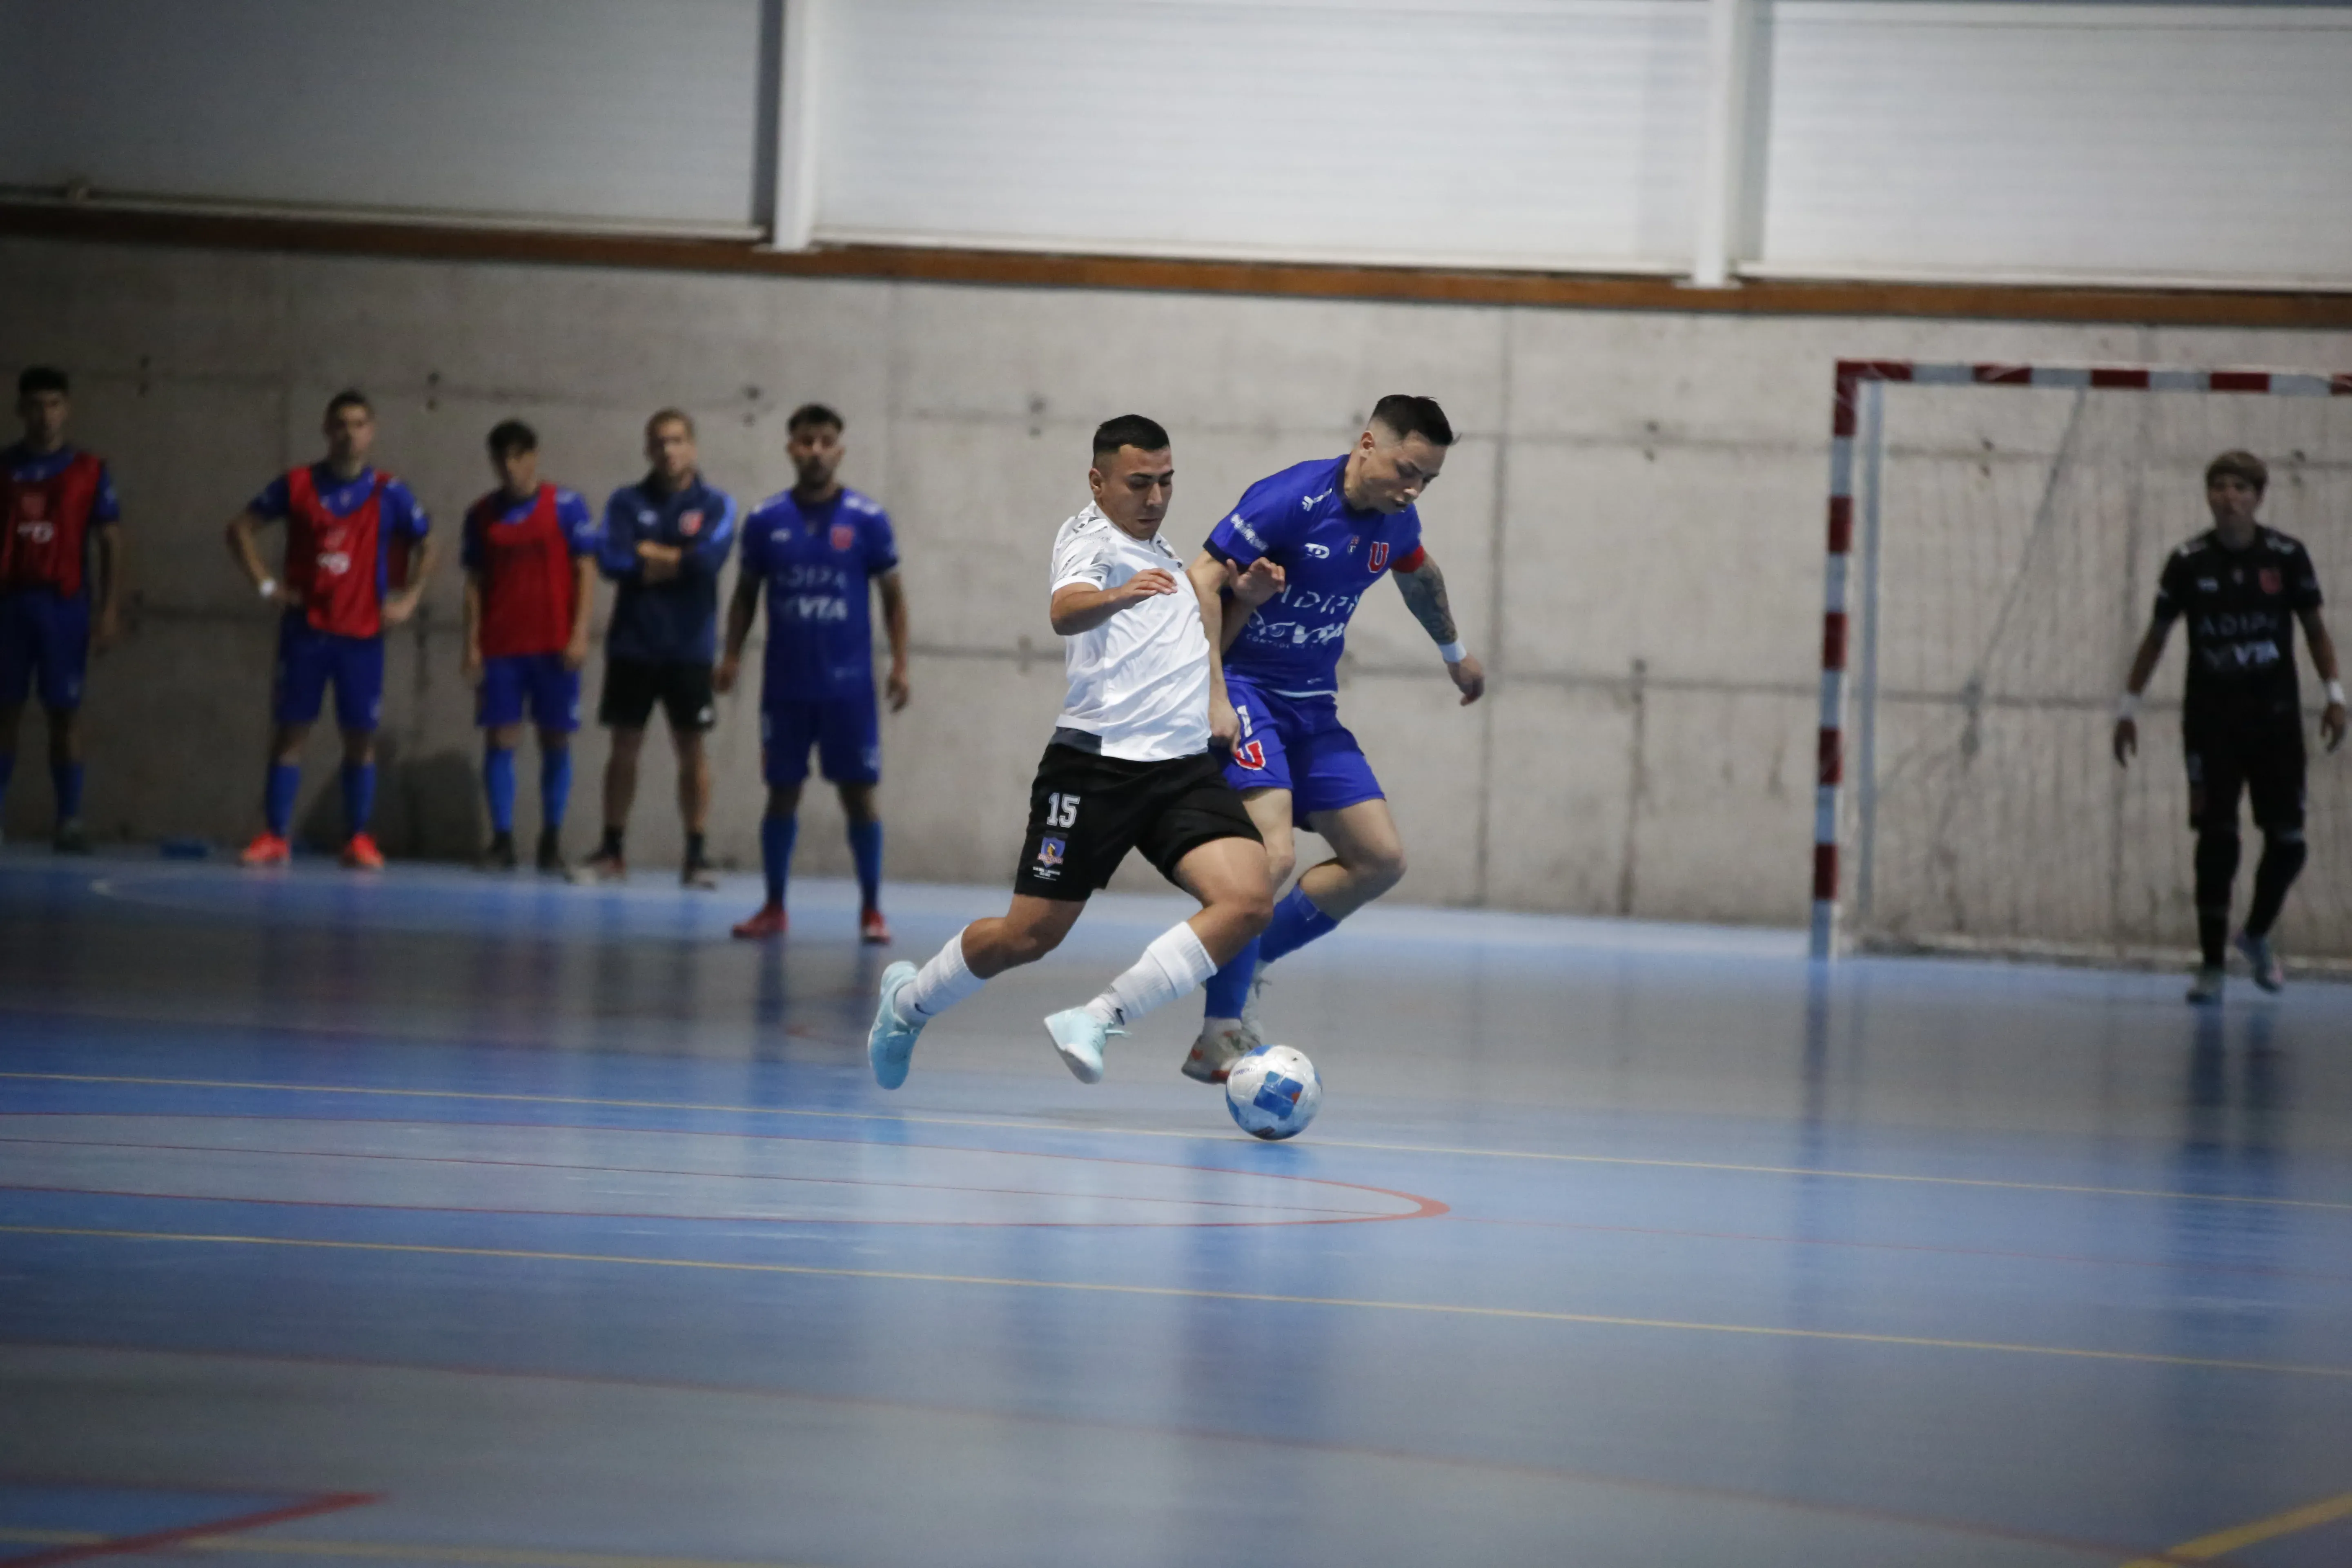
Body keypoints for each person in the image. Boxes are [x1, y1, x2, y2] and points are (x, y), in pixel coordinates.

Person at [864, 415, 1272, 1089]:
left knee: (1250, 901)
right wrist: (1117, 595)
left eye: (1167, 482)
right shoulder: (1090, 540)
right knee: (1028, 936)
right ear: (1098, 482)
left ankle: (1099, 1017)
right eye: (1139, 483)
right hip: (1097, 769)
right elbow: (1066, 609)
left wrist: (1245, 607)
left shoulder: (1163, 552)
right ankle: (908, 1005)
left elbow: (1191, 649)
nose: (1156, 497)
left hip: (1181, 769)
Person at [1177, 394, 1487, 1082]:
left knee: (1380, 859)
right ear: (1368, 444)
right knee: (1272, 858)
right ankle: (1216, 1034)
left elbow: (1420, 576)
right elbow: (1199, 578)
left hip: (1314, 706)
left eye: (1428, 480)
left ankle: (1248, 959)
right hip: (1248, 690)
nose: (1413, 489)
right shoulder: (1288, 500)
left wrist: (1455, 653)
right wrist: (1214, 691)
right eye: (1407, 470)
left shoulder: (1397, 519)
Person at [2114, 449, 2344, 1004]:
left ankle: (2256, 934)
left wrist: (2335, 696)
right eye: (2219, 486)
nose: (2229, 496)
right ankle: (2212, 965)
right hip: (2212, 724)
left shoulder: (2287, 556)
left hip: (2276, 723)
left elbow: (2314, 630)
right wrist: (2128, 707)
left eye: (2240, 487)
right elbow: (2157, 637)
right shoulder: (2188, 562)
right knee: (2217, 842)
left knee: (2289, 843)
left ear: (2258, 497)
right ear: (2208, 495)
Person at [717, 403, 909, 942]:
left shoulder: (868, 519)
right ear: (791, 448)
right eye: (806, 441)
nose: (816, 451)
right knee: (782, 792)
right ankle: (774, 906)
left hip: (849, 690)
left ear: (840, 450)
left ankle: (872, 910)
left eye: (826, 441)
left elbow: (894, 598)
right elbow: (744, 596)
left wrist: (900, 664)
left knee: (859, 795)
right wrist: (731, 656)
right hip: (786, 688)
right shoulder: (765, 520)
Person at [225, 390, 434, 870]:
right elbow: (239, 529)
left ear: (371, 431)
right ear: (326, 430)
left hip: (362, 636)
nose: (349, 434)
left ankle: (358, 838)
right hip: (306, 633)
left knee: (360, 738)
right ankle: (275, 836)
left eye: (359, 424)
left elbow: (429, 543)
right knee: (291, 733)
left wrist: (410, 598)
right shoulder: (298, 484)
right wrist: (267, 586)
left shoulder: (389, 492)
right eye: (341, 424)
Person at [579, 409, 736, 887]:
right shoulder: (626, 501)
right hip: (634, 644)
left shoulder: (716, 504)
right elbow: (611, 559)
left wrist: (651, 552)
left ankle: (696, 855)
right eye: (660, 442)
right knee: (624, 746)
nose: (669, 450)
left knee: (692, 750)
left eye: (677, 441)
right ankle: (612, 851)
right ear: (648, 449)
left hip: (689, 648)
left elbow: (708, 561)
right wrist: (677, 559)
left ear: (693, 446)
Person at [461, 420, 598, 874]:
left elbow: (585, 570)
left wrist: (580, 632)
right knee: (500, 738)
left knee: (555, 737)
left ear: (534, 457)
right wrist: (472, 643)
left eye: (518, 456)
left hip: (554, 644)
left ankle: (551, 839)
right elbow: (474, 583)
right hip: (501, 646)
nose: (510, 466)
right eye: (502, 458)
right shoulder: (481, 514)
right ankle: (502, 839)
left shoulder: (567, 506)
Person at [0, 366, 122, 852]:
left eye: (53, 405)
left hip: (63, 606)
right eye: (35, 405)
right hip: (9, 604)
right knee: (5, 712)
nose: (45, 415)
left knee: (65, 713)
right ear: (20, 410)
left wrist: (109, 609)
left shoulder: (89, 470)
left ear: (66, 410)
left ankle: (69, 820)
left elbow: (111, 540)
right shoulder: (4, 468)